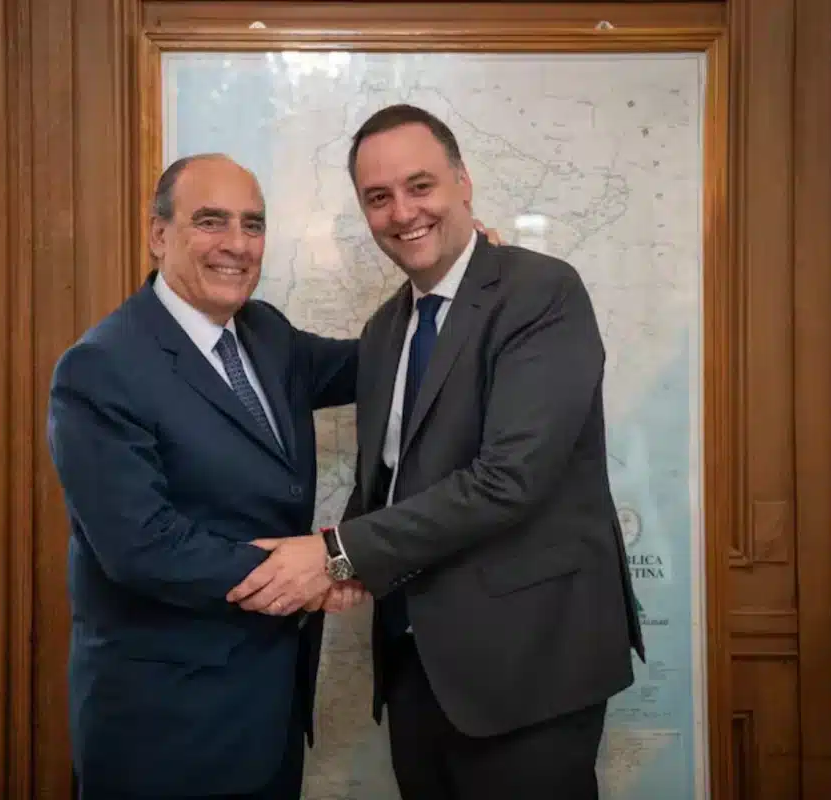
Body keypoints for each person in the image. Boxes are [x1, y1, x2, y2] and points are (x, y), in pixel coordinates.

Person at [227, 104, 645, 799]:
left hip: (529, 669)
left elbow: (509, 480)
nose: (402, 212)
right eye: (378, 197)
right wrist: (340, 566)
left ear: (463, 184)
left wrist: (336, 551)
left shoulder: (541, 292)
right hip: (416, 668)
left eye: (420, 186)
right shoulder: (387, 327)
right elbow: (391, 481)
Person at [46, 153, 366, 800]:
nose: (237, 246)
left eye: (253, 225)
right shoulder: (102, 367)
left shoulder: (266, 334)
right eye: (211, 222)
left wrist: (460, 289)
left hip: (269, 714)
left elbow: (370, 363)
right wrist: (305, 575)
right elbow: (143, 547)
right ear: (159, 234)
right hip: (167, 731)